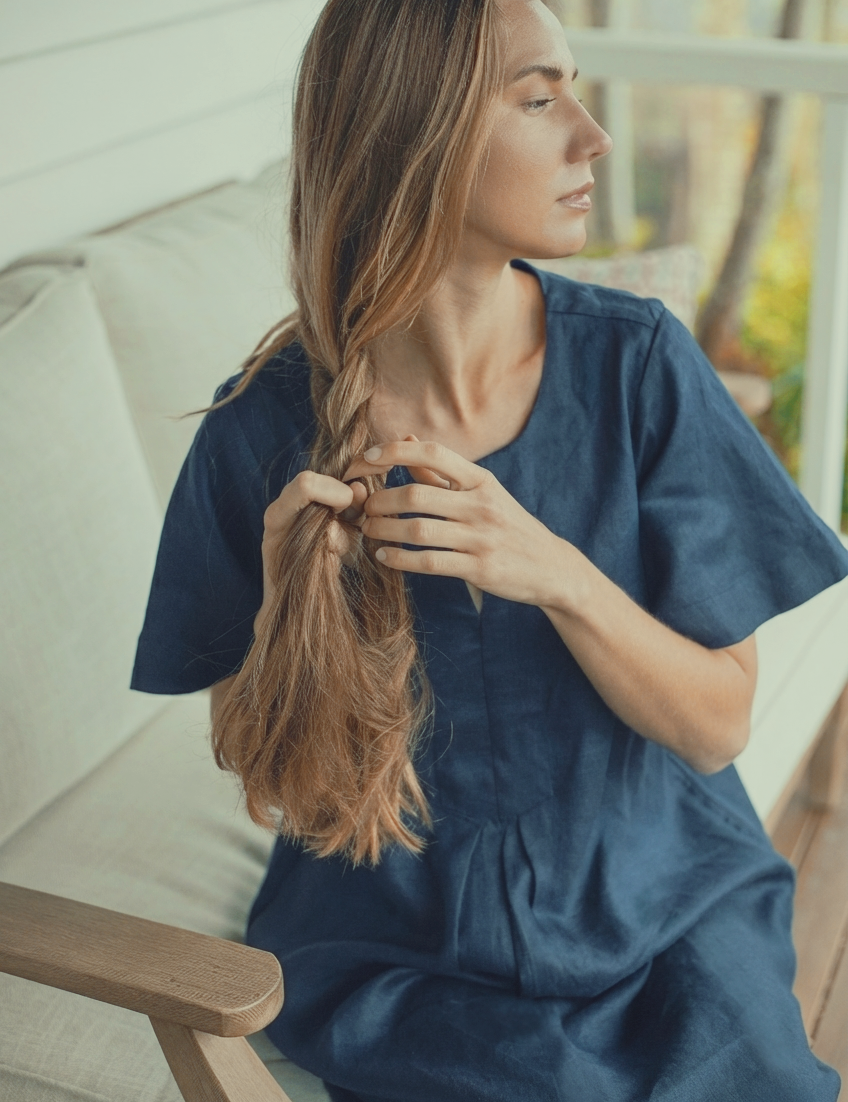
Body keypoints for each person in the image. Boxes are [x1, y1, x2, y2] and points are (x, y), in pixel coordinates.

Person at [130, 0, 848, 1098]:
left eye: (572, 85)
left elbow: (714, 725)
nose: (591, 136)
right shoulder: (260, 433)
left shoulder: (637, 369)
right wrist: (286, 612)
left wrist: (548, 567)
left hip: (662, 900)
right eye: (536, 96)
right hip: (399, 949)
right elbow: (269, 777)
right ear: (411, 135)